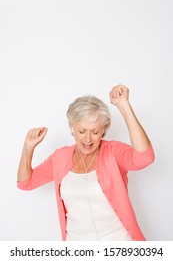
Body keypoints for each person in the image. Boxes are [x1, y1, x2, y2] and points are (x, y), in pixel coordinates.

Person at [17, 84, 155, 241]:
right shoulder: (60, 157)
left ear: (103, 129)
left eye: (95, 132)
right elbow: (25, 183)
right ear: (72, 127)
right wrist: (28, 148)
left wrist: (124, 107)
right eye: (82, 131)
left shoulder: (113, 151)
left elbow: (145, 158)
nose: (88, 139)